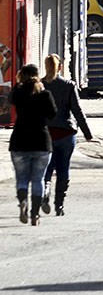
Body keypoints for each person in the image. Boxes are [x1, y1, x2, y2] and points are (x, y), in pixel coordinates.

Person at [40, 54, 92, 217]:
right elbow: (77, 110)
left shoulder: (40, 85)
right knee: (63, 168)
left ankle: (45, 190)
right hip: (66, 133)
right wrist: (87, 133)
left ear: (46, 66)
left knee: (47, 167)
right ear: (60, 67)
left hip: (46, 133)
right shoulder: (69, 85)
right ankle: (59, 206)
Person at [9, 64, 56, 226]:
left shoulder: (18, 93)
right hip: (41, 142)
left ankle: (23, 201)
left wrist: (18, 83)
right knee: (38, 179)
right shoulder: (44, 94)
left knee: (21, 179)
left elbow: (10, 99)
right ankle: (35, 214)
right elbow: (52, 114)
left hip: (19, 142)